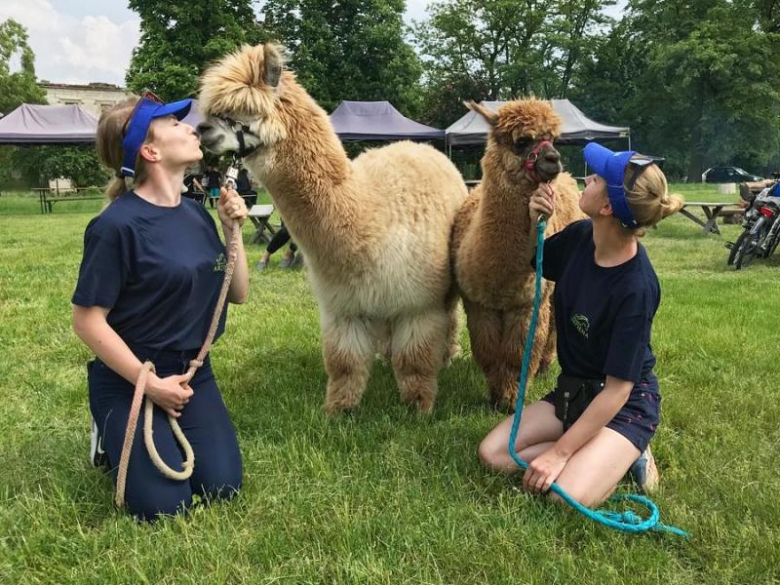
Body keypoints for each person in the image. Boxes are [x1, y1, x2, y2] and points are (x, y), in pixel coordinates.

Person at [72, 93, 250, 520]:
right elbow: (86, 321)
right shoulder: (115, 227)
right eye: (174, 125)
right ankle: (107, 432)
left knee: (223, 488)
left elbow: (238, 292)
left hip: (192, 376)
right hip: (131, 378)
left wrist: (232, 230)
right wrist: (149, 386)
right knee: (163, 509)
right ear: (150, 152)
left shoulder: (197, 215)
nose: (190, 128)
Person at [478, 143, 683, 507]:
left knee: (563, 494)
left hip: (622, 404)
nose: (586, 178)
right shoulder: (578, 237)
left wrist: (558, 454)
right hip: (574, 392)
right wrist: (534, 222)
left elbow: (619, 390)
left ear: (607, 207)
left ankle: (630, 448)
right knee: (493, 454)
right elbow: (535, 259)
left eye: (597, 177)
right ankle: (593, 448)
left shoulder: (636, 288)